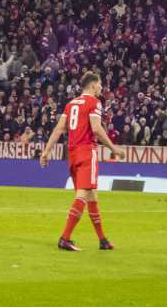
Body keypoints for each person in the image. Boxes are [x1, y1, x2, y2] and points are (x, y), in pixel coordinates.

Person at [40, 72, 127, 251]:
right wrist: (114, 148)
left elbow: (58, 129)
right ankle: (65, 238)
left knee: (91, 195)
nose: (101, 88)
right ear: (92, 85)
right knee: (83, 195)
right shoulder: (94, 103)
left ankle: (102, 240)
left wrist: (46, 151)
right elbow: (96, 128)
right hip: (87, 152)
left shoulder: (71, 104)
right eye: (100, 84)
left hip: (72, 155)